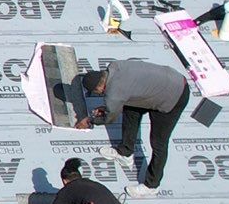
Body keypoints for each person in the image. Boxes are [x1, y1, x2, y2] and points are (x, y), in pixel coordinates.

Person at [80, 59, 192, 192]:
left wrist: (90, 121)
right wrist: (109, 108)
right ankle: (125, 152)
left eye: (97, 93)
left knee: (159, 143)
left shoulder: (114, 94)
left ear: (99, 88)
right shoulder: (115, 66)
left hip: (174, 96)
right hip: (167, 80)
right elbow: (121, 97)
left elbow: (110, 118)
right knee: (130, 111)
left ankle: (151, 186)